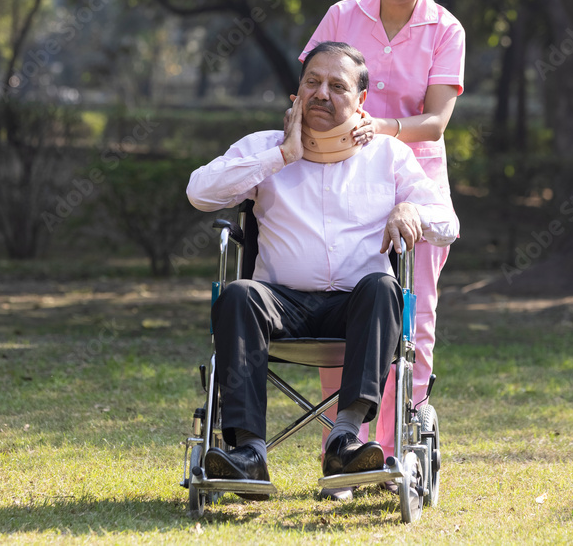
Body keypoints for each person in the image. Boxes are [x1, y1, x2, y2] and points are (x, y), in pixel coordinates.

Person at [186, 41, 458, 500]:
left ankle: (344, 441)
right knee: (238, 293)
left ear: (361, 100)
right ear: (297, 92)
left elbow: (447, 224)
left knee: (383, 286)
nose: (321, 93)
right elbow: (199, 192)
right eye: (312, 81)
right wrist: (282, 156)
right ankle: (249, 452)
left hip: (358, 307)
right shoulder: (263, 147)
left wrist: (411, 209)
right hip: (280, 305)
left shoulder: (387, 155)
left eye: (337, 85)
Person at [299, 0, 465, 480]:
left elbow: (435, 121)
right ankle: (345, 449)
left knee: (414, 315)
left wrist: (382, 128)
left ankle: (396, 448)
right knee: (342, 307)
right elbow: (312, 90)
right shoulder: (343, 15)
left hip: (416, 187)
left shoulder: (446, 30)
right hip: (345, 182)